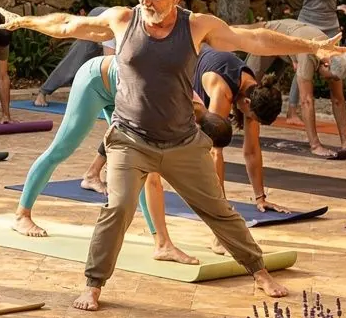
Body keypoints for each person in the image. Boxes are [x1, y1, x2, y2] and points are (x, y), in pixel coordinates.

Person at [0, 0, 342, 312]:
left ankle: (260, 273)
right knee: (117, 207)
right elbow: (68, 24)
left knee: (219, 210)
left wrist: (312, 47)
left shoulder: (196, 26)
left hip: (182, 142)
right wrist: (24, 22)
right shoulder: (123, 19)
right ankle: (93, 285)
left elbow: (254, 38)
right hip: (130, 139)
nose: (145, 1)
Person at [13, 52, 232, 267]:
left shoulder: (195, 110)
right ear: (198, 133)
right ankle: (22, 215)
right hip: (96, 82)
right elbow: (153, 177)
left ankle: (161, 243)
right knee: (62, 150)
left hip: (122, 91)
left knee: (143, 165)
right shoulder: (167, 110)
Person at [240, 0, 346, 157]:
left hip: (328, 35)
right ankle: (305, 134)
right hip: (300, 33)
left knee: (336, 92)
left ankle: (345, 142)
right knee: (283, 81)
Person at [192, 48, 286, 211]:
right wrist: (221, 205)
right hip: (183, 69)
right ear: (247, 103)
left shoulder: (255, 91)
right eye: (253, 117)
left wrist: (260, 198)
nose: (250, 120)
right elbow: (214, 152)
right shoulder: (222, 91)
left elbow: (252, 150)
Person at [33, 6, 115, 106]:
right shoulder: (113, 28)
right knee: (76, 59)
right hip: (99, 19)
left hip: (109, 20)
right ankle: (43, 92)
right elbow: (108, 63)